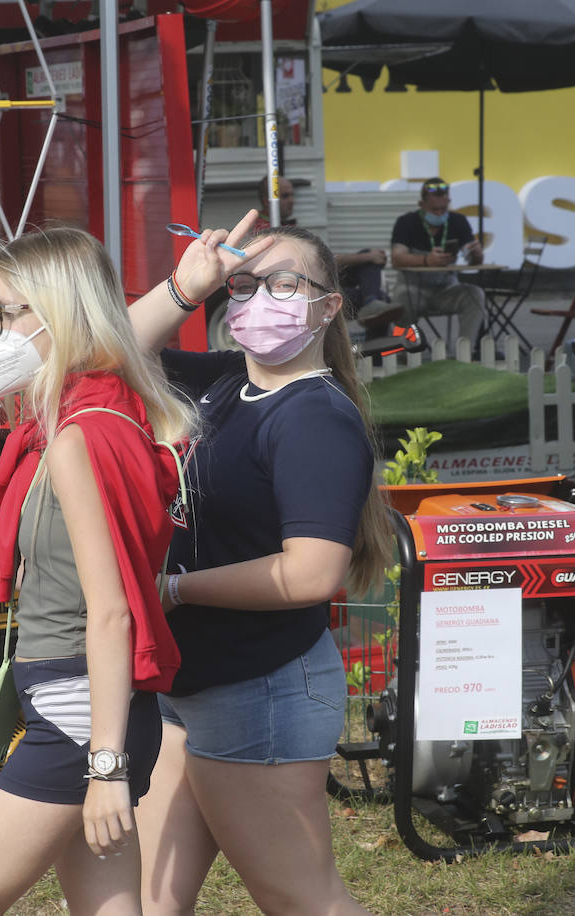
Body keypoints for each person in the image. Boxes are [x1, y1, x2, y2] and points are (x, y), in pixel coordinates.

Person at [0, 226, 197, 915]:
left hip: (82, 714)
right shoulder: (83, 419)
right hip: (90, 707)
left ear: (64, 314)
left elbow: (112, 611)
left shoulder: (80, 434)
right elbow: (85, 567)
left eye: (5, 314)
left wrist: (105, 766)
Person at [129, 212, 389, 915]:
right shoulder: (226, 384)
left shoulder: (313, 418)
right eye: (243, 285)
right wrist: (186, 288)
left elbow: (310, 574)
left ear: (327, 305)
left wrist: (176, 588)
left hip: (259, 694)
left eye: (282, 283)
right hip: (193, 686)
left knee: (302, 899)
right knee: (148, 901)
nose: (255, 299)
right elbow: (105, 352)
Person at [255, 175, 394, 325]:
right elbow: (319, 262)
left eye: (292, 195)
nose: (292, 200)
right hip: (306, 290)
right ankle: (373, 307)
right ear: (267, 201)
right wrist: (368, 257)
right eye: (285, 196)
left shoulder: (282, 226)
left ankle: (372, 303)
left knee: (371, 289)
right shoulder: (266, 231)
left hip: (314, 281)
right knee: (378, 297)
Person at [374, 176, 487, 348]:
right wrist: (426, 260)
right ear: (421, 204)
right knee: (401, 299)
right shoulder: (406, 222)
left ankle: (466, 350)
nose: (440, 214)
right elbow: (397, 258)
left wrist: (477, 254)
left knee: (475, 294)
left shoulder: (458, 221)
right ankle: (404, 349)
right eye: (434, 210)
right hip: (413, 288)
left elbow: (473, 259)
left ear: (449, 202)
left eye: (444, 208)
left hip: (447, 289)